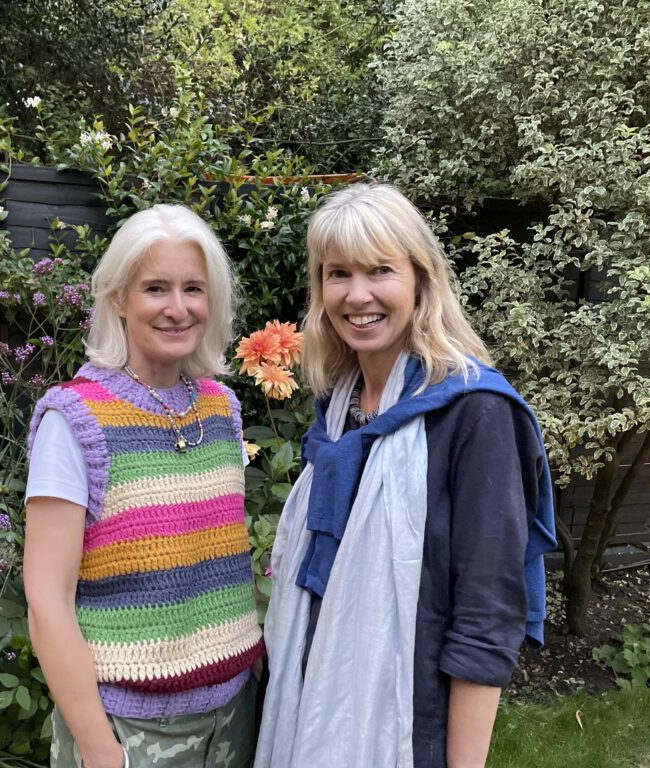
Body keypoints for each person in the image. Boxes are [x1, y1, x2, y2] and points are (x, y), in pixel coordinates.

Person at [255, 184, 557, 768]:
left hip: (407, 729)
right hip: (309, 706)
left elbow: (486, 616)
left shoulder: (475, 413)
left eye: (380, 270)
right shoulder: (339, 407)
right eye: (337, 273)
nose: (356, 294)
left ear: (421, 279)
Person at [23, 204, 264, 768]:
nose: (177, 308)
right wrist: (102, 752)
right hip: (128, 728)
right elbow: (46, 602)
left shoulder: (221, 408)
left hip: (235, 714)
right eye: (156, 288)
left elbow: (223, 556)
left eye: (193, 289)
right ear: (118, 299)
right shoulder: (75, 420)